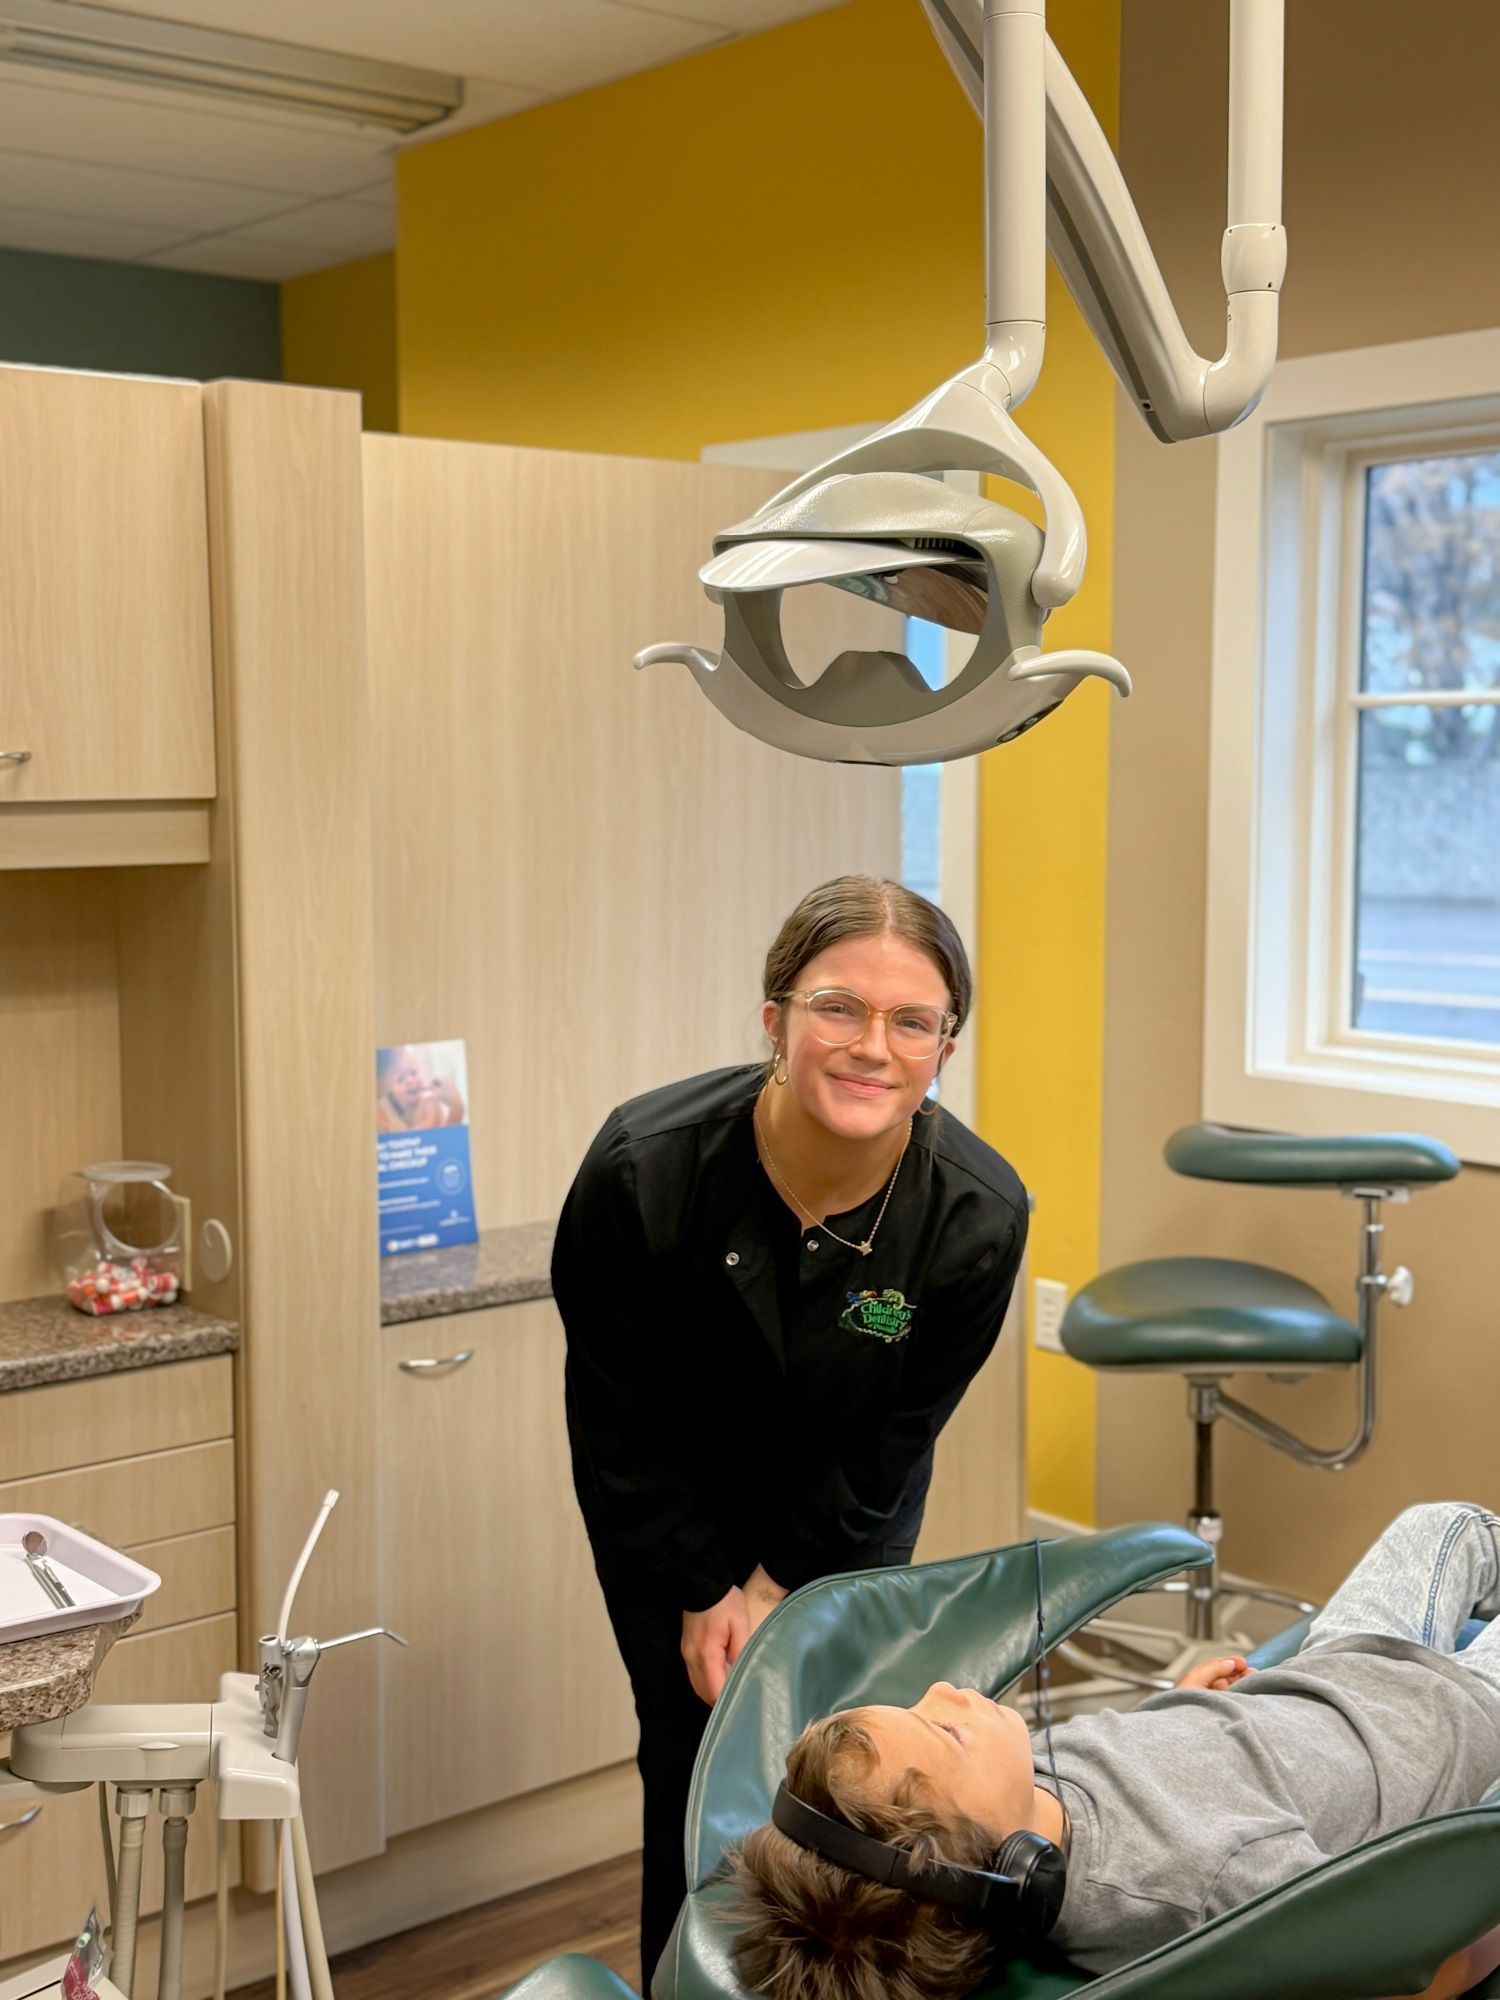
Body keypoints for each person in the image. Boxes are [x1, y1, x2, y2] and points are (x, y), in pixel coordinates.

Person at [552, 875, 1029, 1984]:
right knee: (692, 1766)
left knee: (851, 1788)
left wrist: (783, 1583)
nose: (873, 1045)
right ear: (775, 1020)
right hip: (668, 1523)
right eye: (838, 1007)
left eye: (913, 1020)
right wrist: (702, 1584)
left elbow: (895, 1436)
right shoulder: (643, 1168)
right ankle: (691, 1982)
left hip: (843, 1528)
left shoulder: (975, 1215)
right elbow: (613, 1412)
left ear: (944, 1046)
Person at [731, 1501, 1500, 2000]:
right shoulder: (1192, 1882)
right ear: (1004, 1866)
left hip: (1330, 1670)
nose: (945, 1690)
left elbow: (1129, 1764)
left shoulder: (1020, 1789)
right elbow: (1399, 1953)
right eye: (945, 1731)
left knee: (1442, 1526)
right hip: (1453, 1722)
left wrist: (1182, 1706)